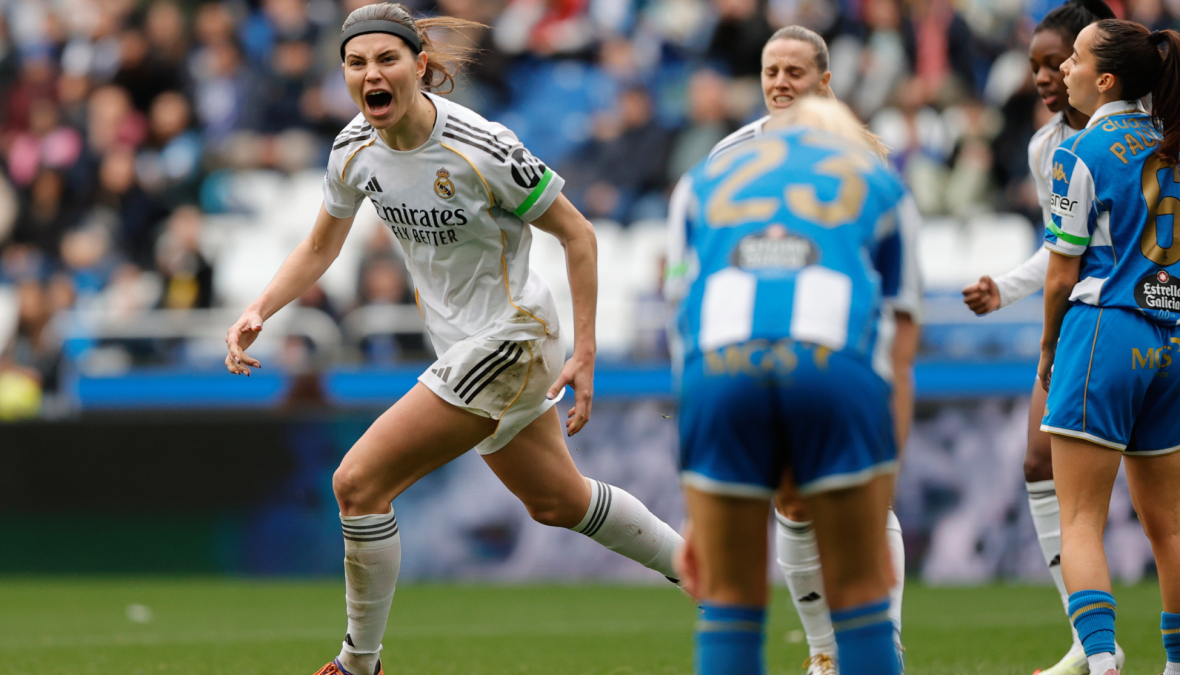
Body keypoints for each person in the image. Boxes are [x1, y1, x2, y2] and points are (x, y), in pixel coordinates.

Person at [223, 5, 685, 675]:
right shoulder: (353, 148)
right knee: (559, 500)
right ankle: (705, 572)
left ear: (419, 65)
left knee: (357, 481)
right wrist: (260, 306)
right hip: (465, 346)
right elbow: (321, 244)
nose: (370, 73)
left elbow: (578, 234)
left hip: (514, 337)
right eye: (356, 62)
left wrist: (585, 351)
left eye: (386, 59)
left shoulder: (482, 145)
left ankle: (359, 663)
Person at [671, 25, 921, 675]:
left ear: (824, 81)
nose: (779, 83)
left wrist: (696, 467)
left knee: (728, 594)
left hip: (722, 368)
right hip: (833, 365)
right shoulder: (873, 172)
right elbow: (900, 326)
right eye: (770, 70)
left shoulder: (703, 180)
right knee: (824, 523)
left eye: (794, 72)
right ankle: (833, 649)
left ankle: (851, 645)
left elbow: (682, 311)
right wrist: (884, 457)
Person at [960, 3, 1127, 674]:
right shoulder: (1044, 147)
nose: (1041, 77)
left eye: (1056, 61)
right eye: (1033, 65)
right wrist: (1005, 286)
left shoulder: (1144, 129)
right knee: (1037, 461)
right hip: (1085, 318)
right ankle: (1091, 642)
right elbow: (1061, 251)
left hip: (1133, 318)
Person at [1038, 18, 1180, 675]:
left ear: (1105, 79)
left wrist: (1048, 348)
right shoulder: (1172, 143)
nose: (1062, 67)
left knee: (1081, 519)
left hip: (1105, 329)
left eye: (1075, 58)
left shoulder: (1079, 154)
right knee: (1171, 527)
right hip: (1171, 340)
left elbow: (1062, 272)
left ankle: (1100, 661)